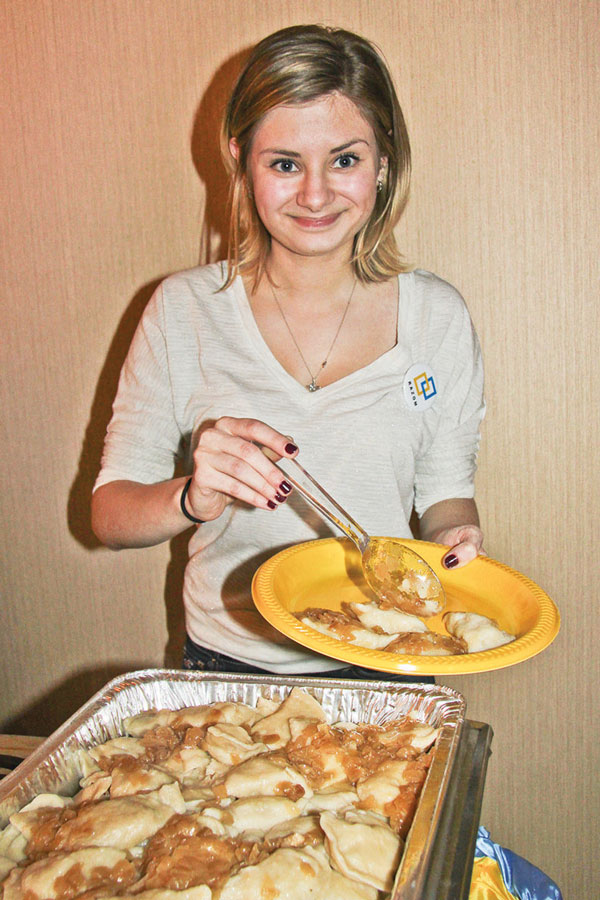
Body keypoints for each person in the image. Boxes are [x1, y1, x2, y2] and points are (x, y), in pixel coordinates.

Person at [91, 24, 485, 678]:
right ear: (242, 158)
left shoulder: (437, 317)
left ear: (384, 164)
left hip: (386, 655)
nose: (314, 194)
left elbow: (447, 495)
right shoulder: (181, 310)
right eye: (284, 164)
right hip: (227, 665)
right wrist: (194, 495)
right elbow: (109, 515)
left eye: (345, 159)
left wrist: (452, 541)